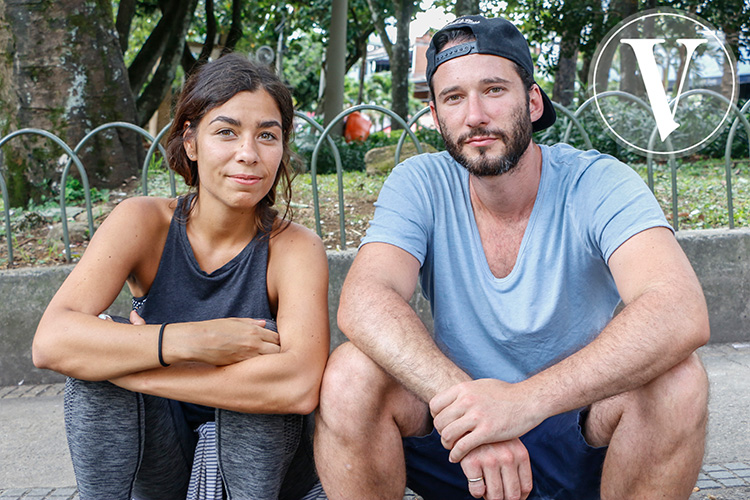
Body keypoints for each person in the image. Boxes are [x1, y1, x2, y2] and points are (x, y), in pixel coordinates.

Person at [314, 15, 710, 500]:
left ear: (533, 100)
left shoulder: (598, 181)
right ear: (436, 117)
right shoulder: (419, 182)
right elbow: (365, 300)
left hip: (578, 436)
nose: (475, 114)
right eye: (454, 98)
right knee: (351, 373)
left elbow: (678, 308)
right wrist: (473, 413)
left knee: (679, 381)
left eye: (494, 89)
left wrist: (522, 403)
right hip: (460, 448)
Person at [32, 54, 330, 500]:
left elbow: (298, 385)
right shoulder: (142, 222)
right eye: (226, 131)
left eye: (267, 135)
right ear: (190, 141)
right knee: (91, 367)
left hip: (264, 477)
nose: (248, 153)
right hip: (162, 461)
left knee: (260, 363)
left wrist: (136, 371)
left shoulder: (296, 247)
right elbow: (51, 341)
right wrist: (195, 341)